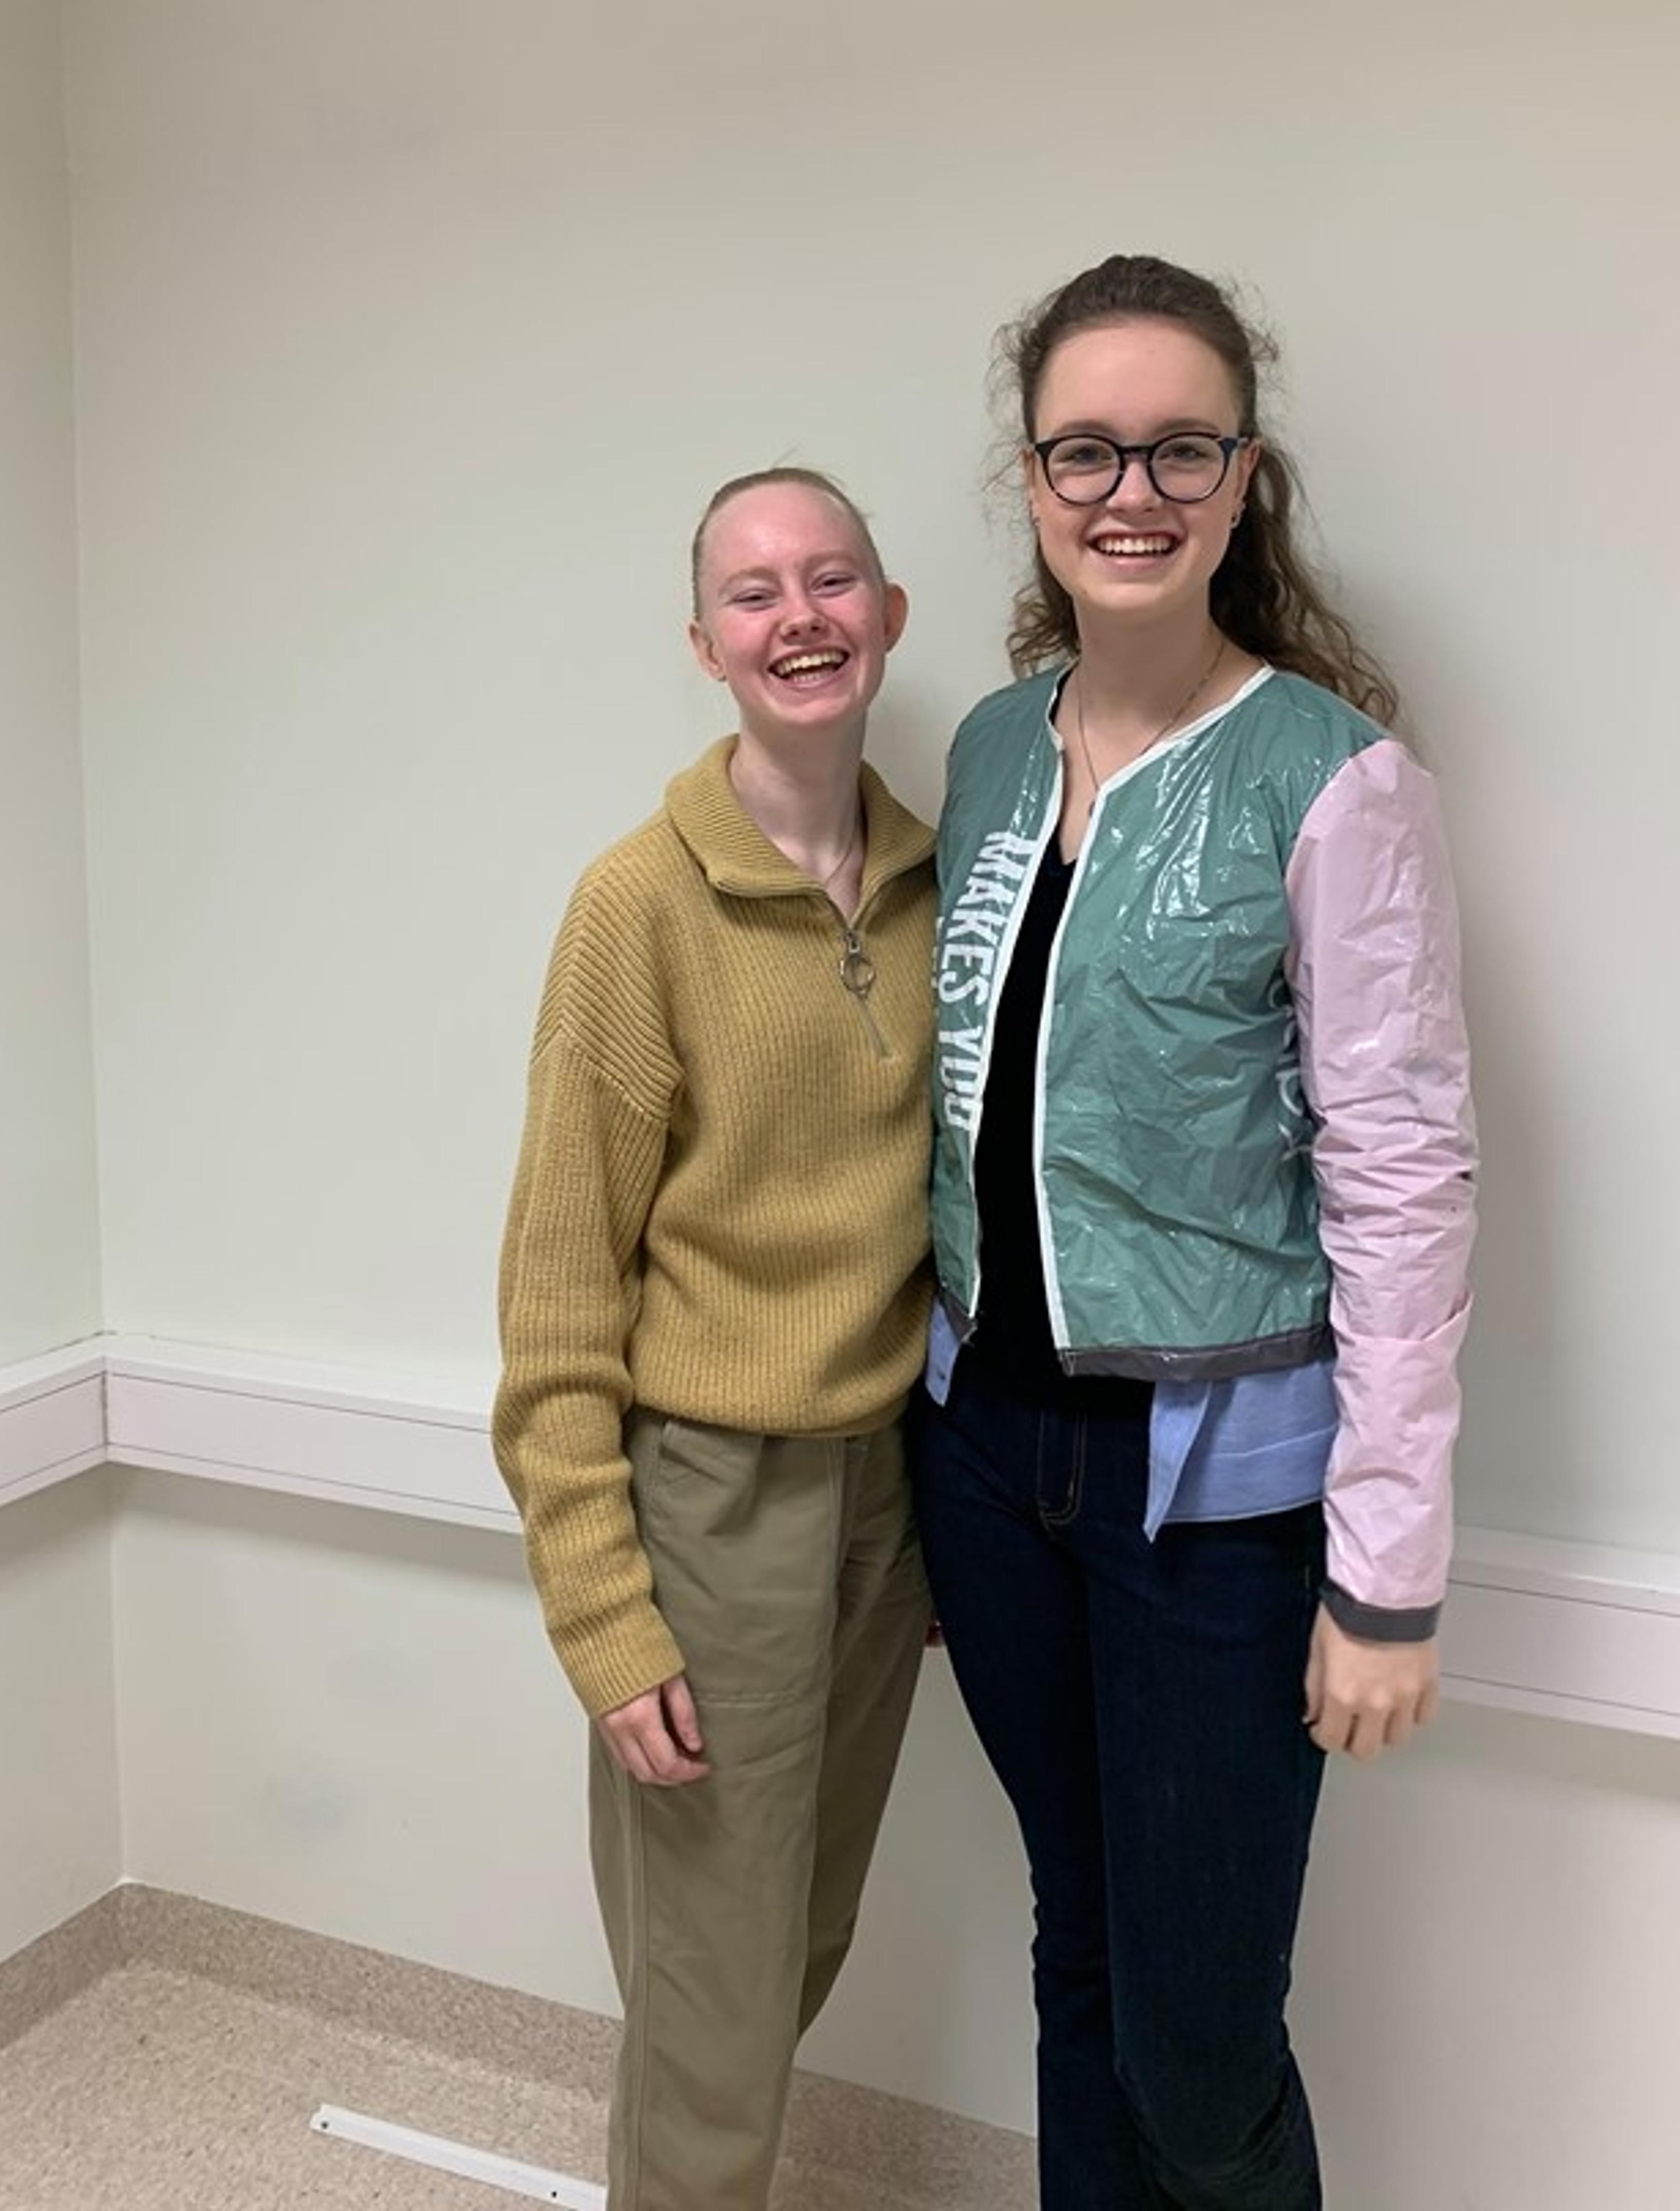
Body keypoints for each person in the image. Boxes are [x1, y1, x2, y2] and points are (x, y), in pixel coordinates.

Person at [913, 254, 1477, 2210]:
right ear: (1032, 479)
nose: (1129, 491)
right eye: (1086, 450)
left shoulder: (1336, 782)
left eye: (1179, 449)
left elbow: (1402, 1178)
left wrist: (1385, 1575)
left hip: (1215, 1504)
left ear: (1245, 481)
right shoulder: (992, 752)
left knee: (1202, 2046)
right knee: (1079, 1951)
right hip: (986, 1465)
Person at [494, 468, 935, 2211]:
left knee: (796, 1944)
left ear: (890, 615)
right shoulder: (638, 907)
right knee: (711, 1997)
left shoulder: (947, 883)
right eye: (755, 594)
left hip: (886, 1499)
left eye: (832, 580)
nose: (799, 617)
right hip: (709, 1507)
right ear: (705, 645)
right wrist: (604, 1615)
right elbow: (557, 1292)